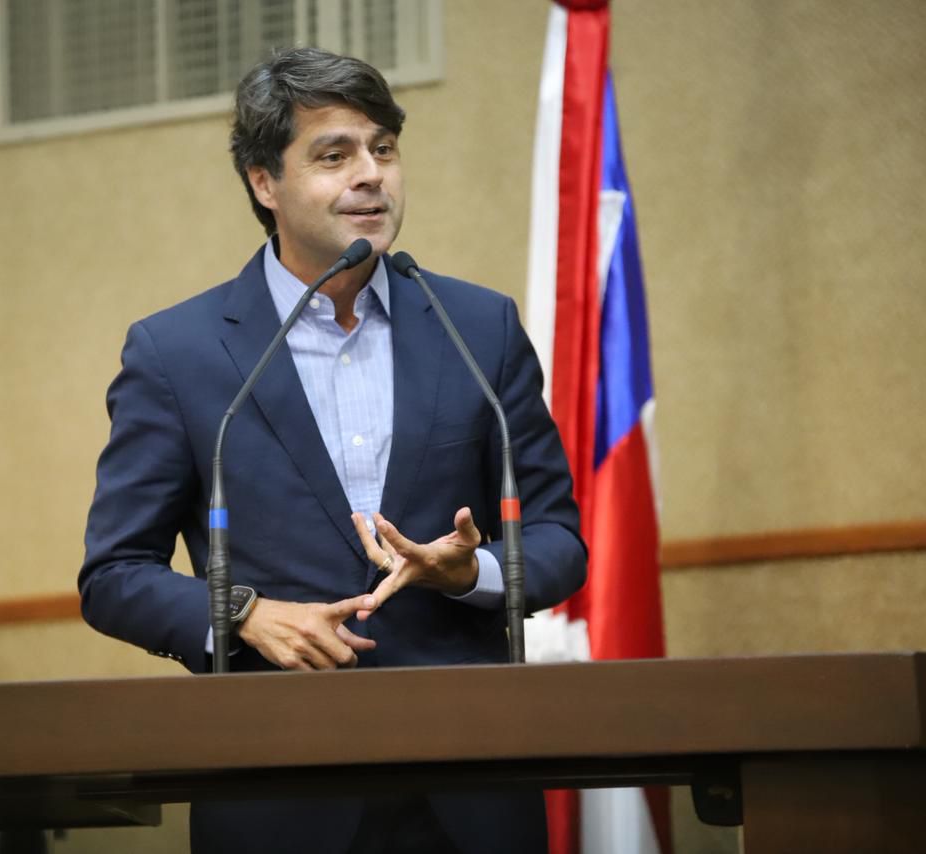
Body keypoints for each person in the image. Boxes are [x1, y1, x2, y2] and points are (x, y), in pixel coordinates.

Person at [79, 47, 587, 854]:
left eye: (383, 148)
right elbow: (113, 575)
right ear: (264, 183)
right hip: (278, 788)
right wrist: (244, 614)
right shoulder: (179, 355)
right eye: (334, 155)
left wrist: (472, 572)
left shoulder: (477, 328)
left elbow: (559, 540)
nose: (371, 176)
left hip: (466, 781)